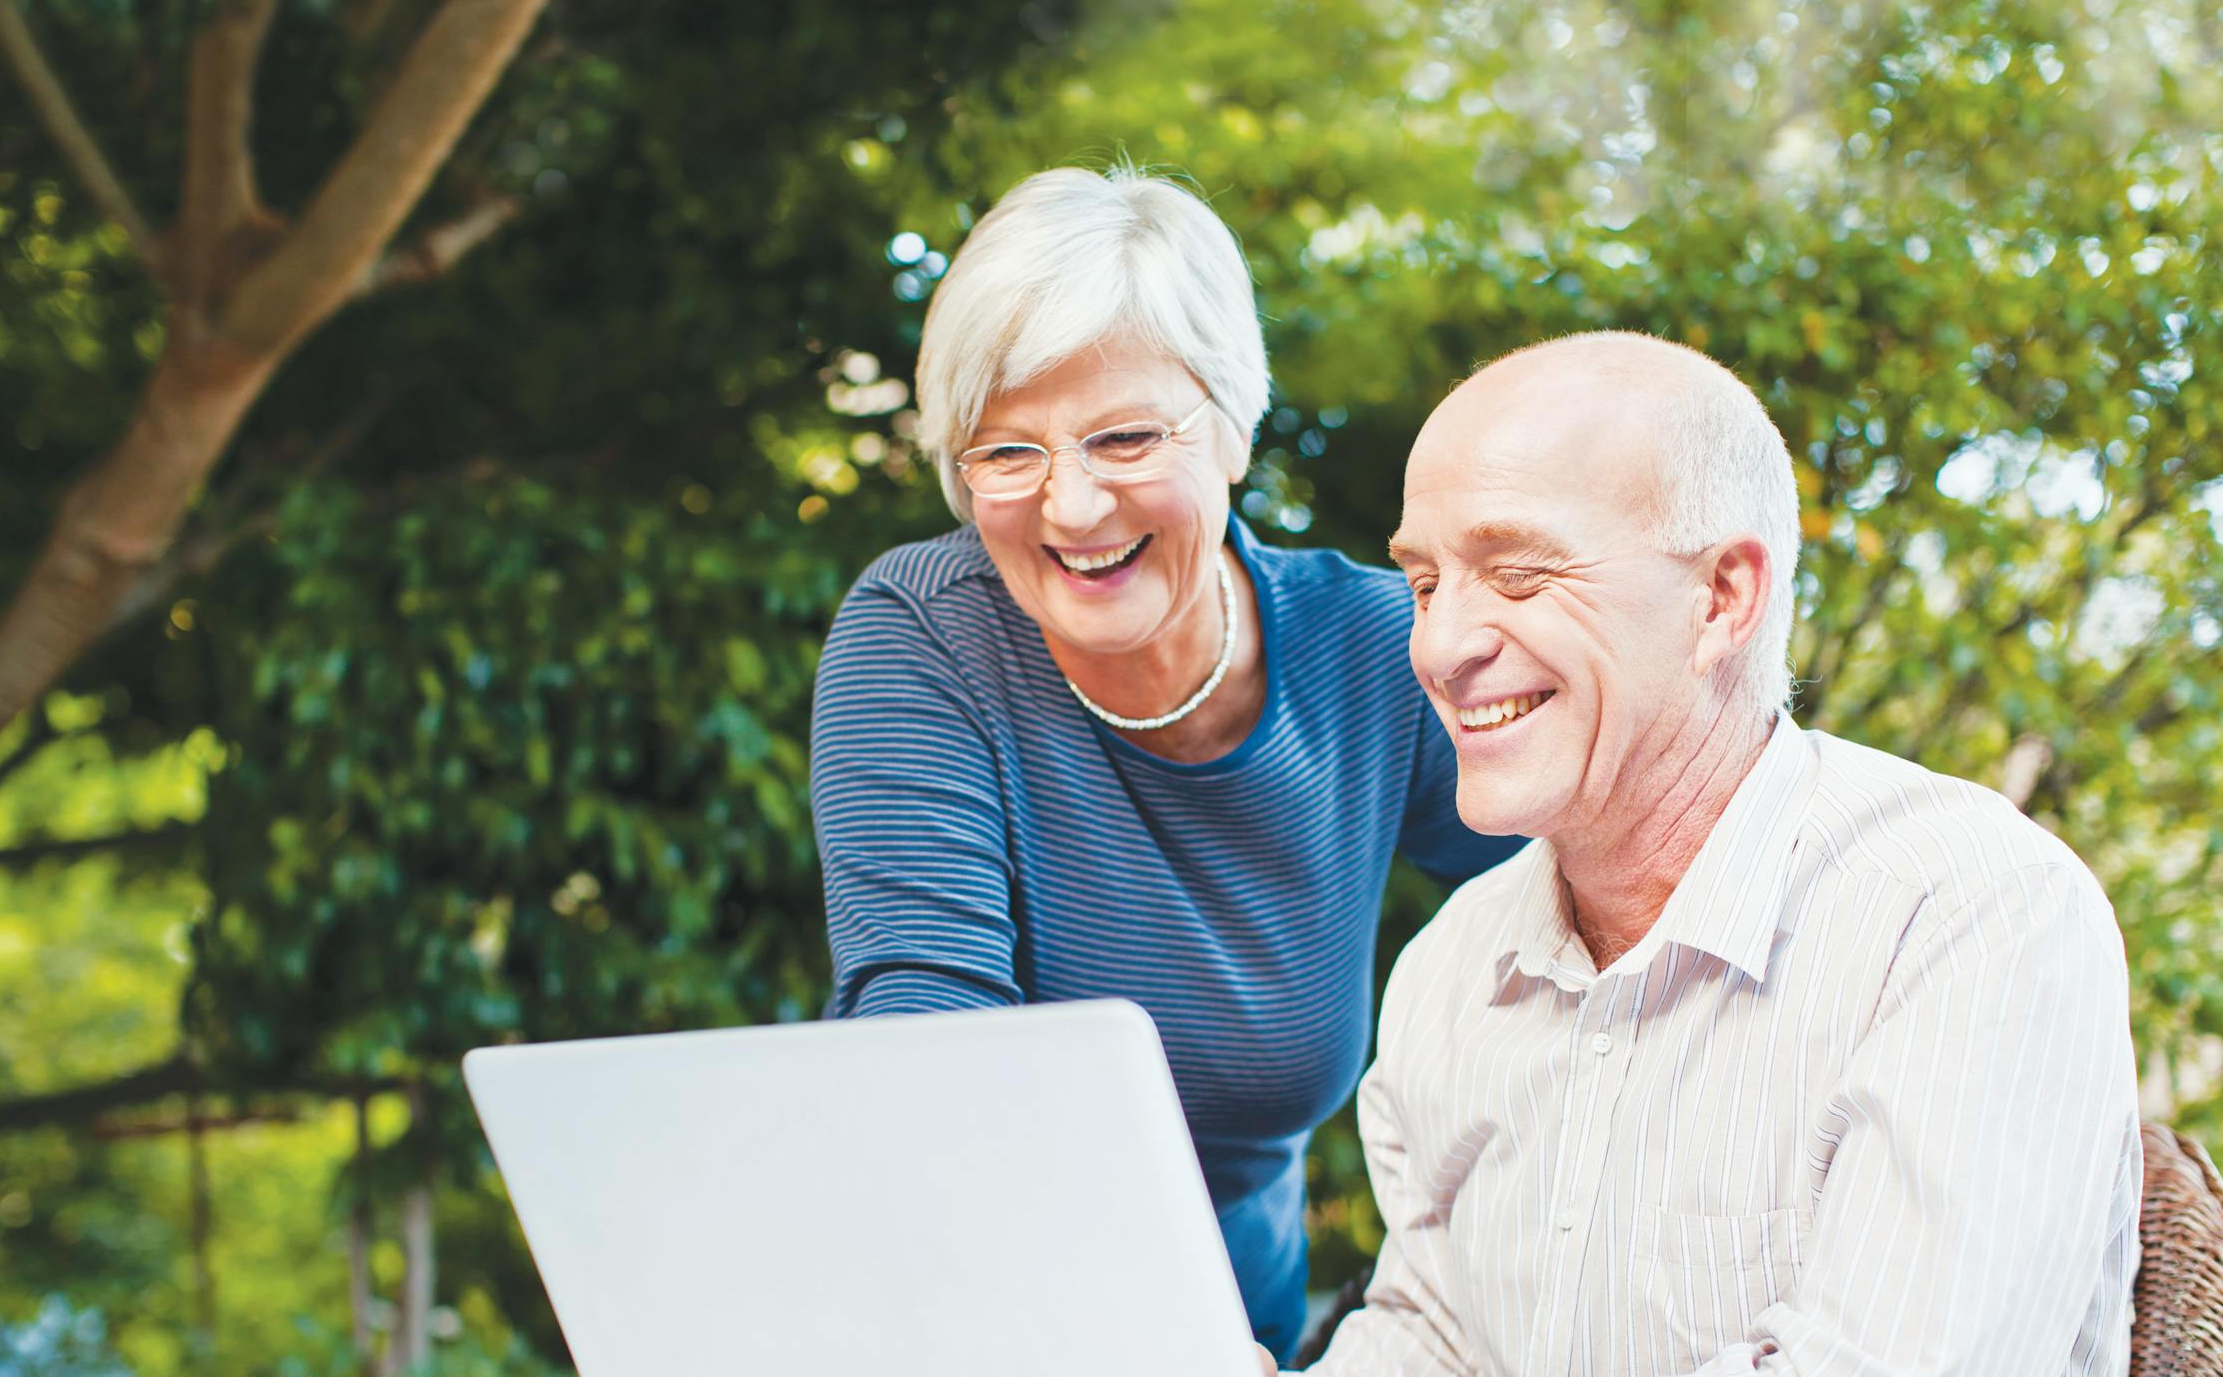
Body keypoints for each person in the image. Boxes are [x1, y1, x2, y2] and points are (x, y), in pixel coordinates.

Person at [1278, 330, 2140, 1376]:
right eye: (1422, 583)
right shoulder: (1452, 969)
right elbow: (1438, 1331)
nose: (1440, 645)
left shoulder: (1973, 911)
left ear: (1723, 597)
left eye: (1517, 572)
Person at [808, 166, 1522, 1361]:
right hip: (974, 1321)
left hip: (1246, 1337)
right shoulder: (927, 634)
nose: (1072, 505)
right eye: (1006, 451)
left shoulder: (1369, 653)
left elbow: (1595, 909)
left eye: (1125, 436)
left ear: (1234, 427)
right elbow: (926, 1029)